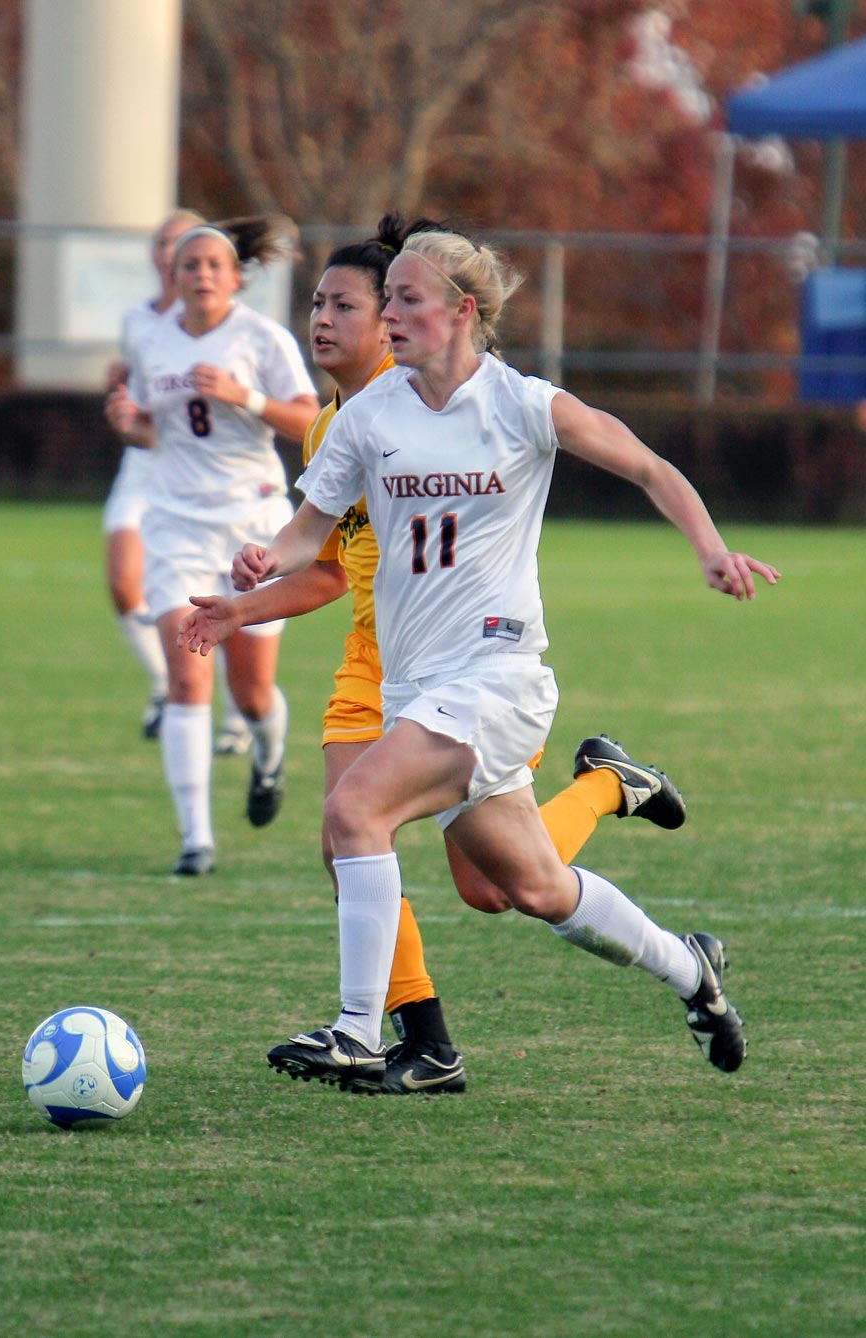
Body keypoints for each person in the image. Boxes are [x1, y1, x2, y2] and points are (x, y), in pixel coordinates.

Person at [227, 218, 779, 1085]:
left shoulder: (523, 403)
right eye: (390, 301)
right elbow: (306, 537)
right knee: (534, 890)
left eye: (405, 300)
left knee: (353, 813)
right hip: (419, 689)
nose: (391, 316)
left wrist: (711, 548)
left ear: (460, 310)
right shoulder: (367, 417)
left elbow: (648, 467)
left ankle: (357, 1030)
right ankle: (691, 971)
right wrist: (255, 574)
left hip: (497, 676)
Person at [106, 216, 319, 875]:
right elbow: (159, 433)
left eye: (211, 265)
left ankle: (267, 753)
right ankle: (195, 838)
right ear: (172, 277)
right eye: (188, 264)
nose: (199, 274)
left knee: (251, 693)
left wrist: (244, 395)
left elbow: (310, 420)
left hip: (252, 526)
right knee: (185, 674)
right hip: (176, 526)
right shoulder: (152, 340)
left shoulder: (262, 338)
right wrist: (130, 425)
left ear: (235, 278)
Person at [102, 208, 251, 754]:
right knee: (124, 583)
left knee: (222, 599)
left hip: (216, 482)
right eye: (164, 244)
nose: (171, 255)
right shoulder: (140, 322)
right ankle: (167, 683)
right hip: (149, 466)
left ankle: (239, 716)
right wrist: (123, 404)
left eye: (182, 246)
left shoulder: (236, 328)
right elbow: (140, 398)